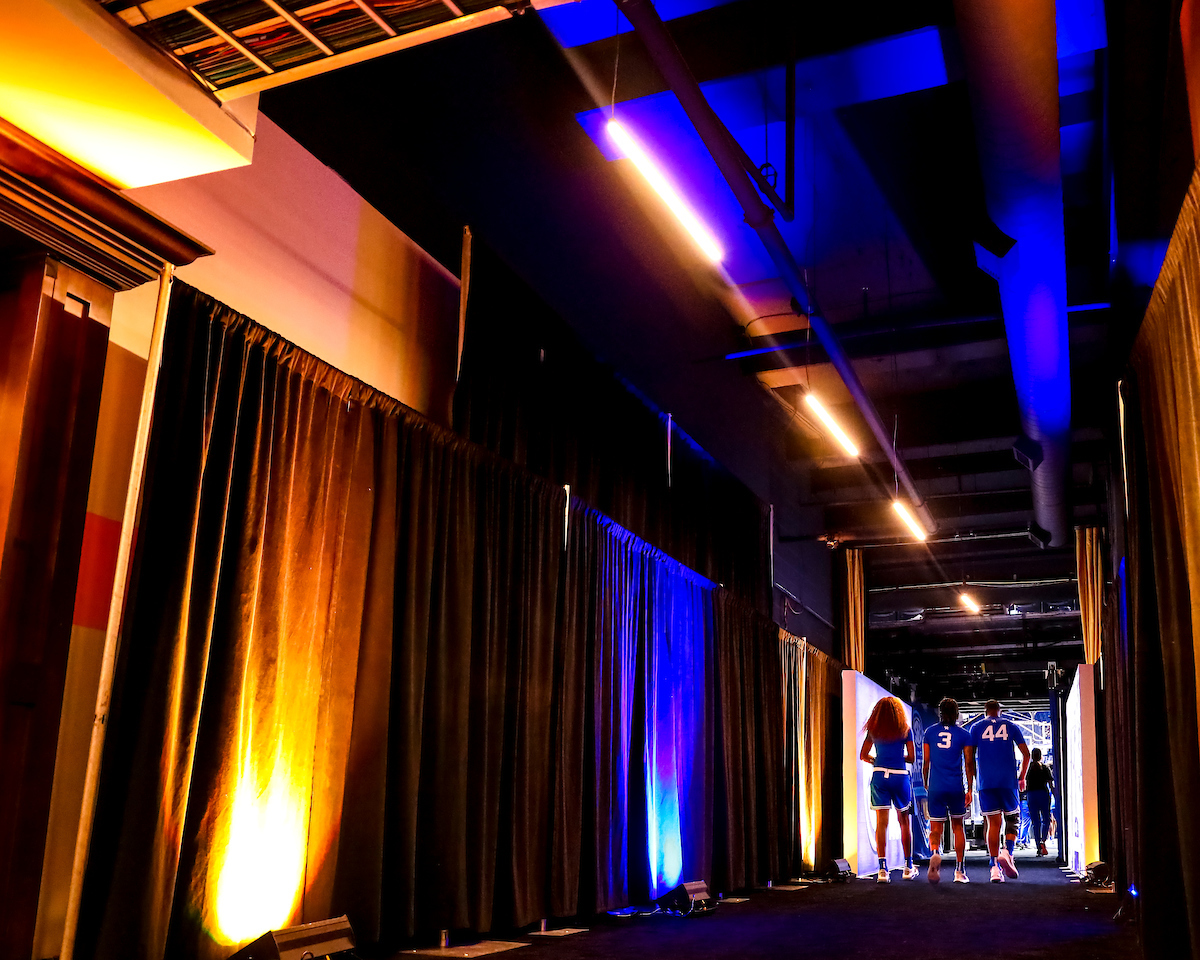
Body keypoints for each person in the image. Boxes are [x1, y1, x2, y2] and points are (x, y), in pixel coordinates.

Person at [971, 699, 1031, 883]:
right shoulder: (1011, 726)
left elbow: (969, 757)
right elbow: (1027, 754)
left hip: (986, 782)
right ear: (1000, 711)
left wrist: (974, 779)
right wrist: (1021, 777)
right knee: (1013, 818)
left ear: (985, 711)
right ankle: (1008, 852)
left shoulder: (975, 727)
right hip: (1008, 781)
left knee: (993, 824)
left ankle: (994, 867)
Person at [859, 696, 918, 882]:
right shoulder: (904, 729)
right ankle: (908, 867)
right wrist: (899, 759)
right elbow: (912, 757)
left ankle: (882, 870)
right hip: (899, 776)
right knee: (904, 822)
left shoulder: (874, 729)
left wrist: (876, 761)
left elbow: (863, 755)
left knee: (881, 824)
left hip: (879, 776)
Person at [921, 697, 975, 884]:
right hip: (955, 786)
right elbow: (969, 763)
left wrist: (926, 782)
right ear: (957, 713)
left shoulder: (929, 732)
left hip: (936, 785)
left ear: (940, 712)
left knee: (935, 827)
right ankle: (959, 871)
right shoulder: (964, 735)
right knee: (958, 827)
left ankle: (935, 852)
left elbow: (926, 761)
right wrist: (970, 788)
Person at [1025, 747, 1055, 857]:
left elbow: (1023, 782)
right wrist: (1055, 794)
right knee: (1046, 819)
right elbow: (1050, 784)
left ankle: (1038, 846)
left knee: (1035, 822)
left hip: (1031, 795)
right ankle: (1043, 841)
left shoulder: (1028, 768)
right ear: (1040, 756)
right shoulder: (1045, 768)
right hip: (1043, 794)